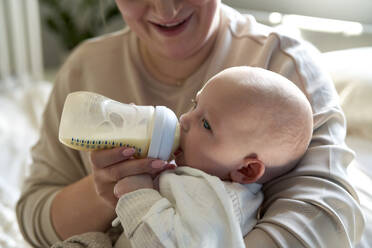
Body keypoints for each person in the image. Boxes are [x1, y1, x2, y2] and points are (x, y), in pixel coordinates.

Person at [16, 0, 364, 248]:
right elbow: (34, 219)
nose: (166, 10)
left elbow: (329, 219)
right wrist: (107, 189)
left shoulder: (283, 67)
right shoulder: (84, 68)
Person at [110, 66, 313, 247]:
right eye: (194, 104)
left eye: (206, 124)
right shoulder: (200, 172)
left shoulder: (218, 201)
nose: (185, 118)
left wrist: (137, 194)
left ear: (245, 170)